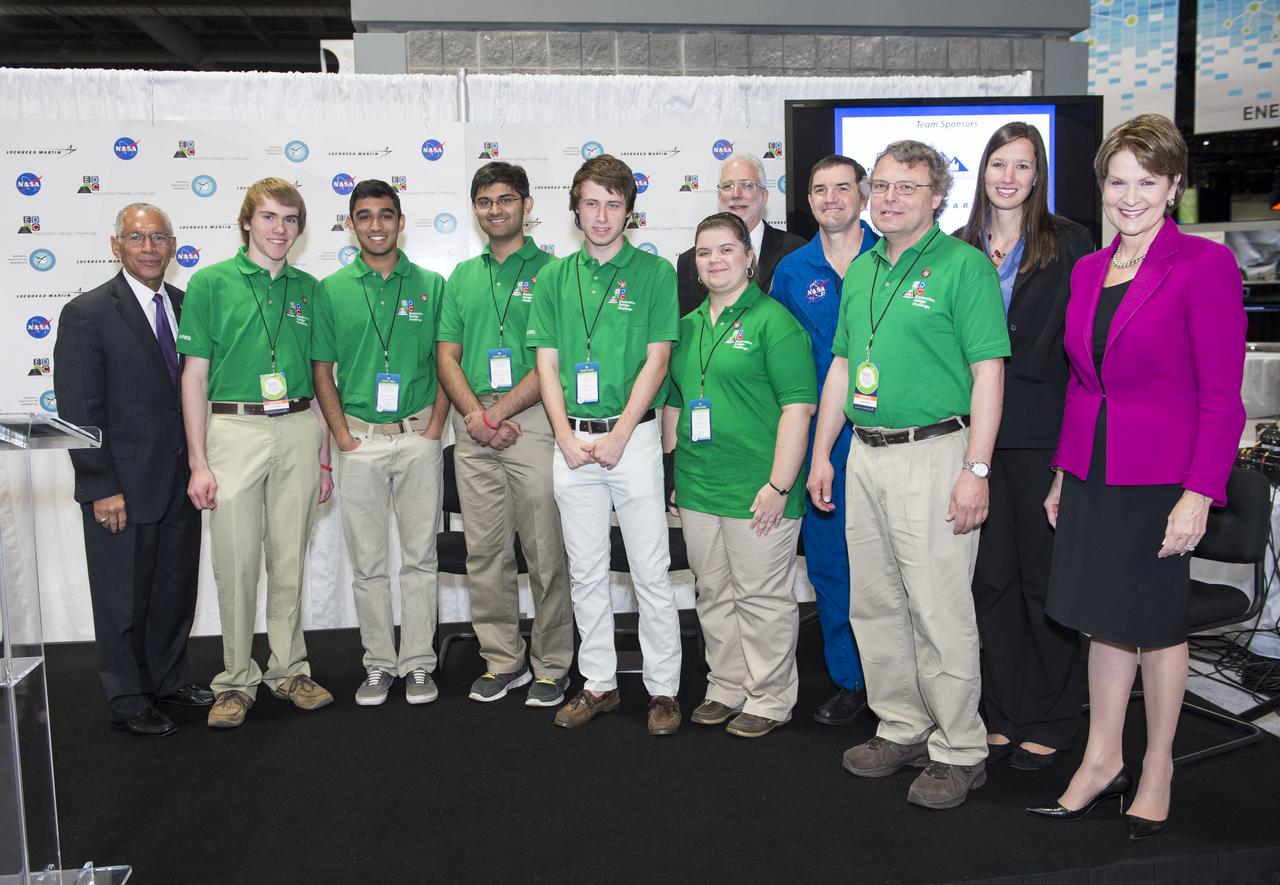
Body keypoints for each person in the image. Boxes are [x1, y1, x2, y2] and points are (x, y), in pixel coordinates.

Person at [1026, 114, 1246, 840]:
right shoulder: (1089, 267)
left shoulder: (1205, 266)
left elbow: (1222, 396)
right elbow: (1083, 383)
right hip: (1093, 468)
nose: (1129, 196)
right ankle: (1100, 757)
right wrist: (1063, 468)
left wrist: (1199, 492)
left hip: (1163, 477)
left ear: (1175, 185)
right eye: (1117, 181)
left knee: (1154, 624)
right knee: (1100, 618)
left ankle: (1158, 765)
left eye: (1146, 182)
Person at [808, 140, 1010, 810]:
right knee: (876, 601)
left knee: (938, 606)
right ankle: (902, 726)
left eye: (907, 187)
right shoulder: (863, 268)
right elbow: (842, 366)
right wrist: (820, 454)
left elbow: (989, 373)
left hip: (935, 452)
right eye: (882, 185)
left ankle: (960, 747)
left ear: (937, 196)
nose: (890, 197)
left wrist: (976, 469)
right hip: (865, 452)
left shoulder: (963, 266)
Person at [527, 154, 684, 736]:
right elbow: (545, 362)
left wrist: (621, 434)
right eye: (591, 202)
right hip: (572, 443)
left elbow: (658, 359)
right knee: (586, 571)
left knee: (650, 569)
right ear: (575, 207)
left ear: (629, 212)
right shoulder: (551, 276)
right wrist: (564, 434)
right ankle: (598, 683)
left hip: (633, 440)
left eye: (614, 204)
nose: (601, 215)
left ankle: (663, 689)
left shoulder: (654, 273)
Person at [955, 123, 1093, 770]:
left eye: (1023, 165)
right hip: (974, 436)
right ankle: (1003, 711)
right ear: (981, 171)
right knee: (991, 582)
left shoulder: (1069, 244)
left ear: (1038, 176)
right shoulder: (957, 247)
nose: (1008, 177)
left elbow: (1083, 355)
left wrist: (1070, 458)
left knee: (1044, 583)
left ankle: (1055, 715)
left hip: (1043, 436)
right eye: (998, 164)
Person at [178, 177, 335, 729]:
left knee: (289, 559)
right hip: (233, 429)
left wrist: (321, 458)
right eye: (269, 217)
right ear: (247, 221)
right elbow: (193, 378)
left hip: (295, 426)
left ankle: (288, 669)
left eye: (290, 220)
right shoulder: (210, 283)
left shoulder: (309, 289)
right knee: (237, 563)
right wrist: (198, 461)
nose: (280, 229)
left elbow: (319, 380)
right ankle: (236, 681)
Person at [53, 203, 212, 736]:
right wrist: (101, 485)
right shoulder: (88, 313)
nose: (149, 247)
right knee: (122, 599)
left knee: (173, 592)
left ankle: (168, 680)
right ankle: (128, 698)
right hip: (121, 486)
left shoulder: (188, 307)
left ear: (172, 245)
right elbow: (79, 409)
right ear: (115, 244)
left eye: (159, 237)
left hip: (178, 482)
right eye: (137, 237)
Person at [663, 212, 816, 738]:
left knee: (763, 598)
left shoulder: (776, 322)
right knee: (713, 594)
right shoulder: (683, 328)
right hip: (700, 486)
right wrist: (674, 476)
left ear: (749, 257)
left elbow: (799, 408)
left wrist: (778, 485)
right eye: (704, 252)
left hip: (760, 490)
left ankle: (769, 697)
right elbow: (676, 409)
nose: (715, 260)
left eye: (726, 249)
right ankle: (725, 686)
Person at [437, 162, 574, 707]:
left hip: (536, 419)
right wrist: (477, 415)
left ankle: (553, 664)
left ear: (526, 204)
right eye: (486, 201)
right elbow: (447, 356)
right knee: (485, 552)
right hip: (473, 426)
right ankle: (502, 660)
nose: (496, 210)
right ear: (475, 209)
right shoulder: (462, 277)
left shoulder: (556, 272)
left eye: (506, 200)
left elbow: (555, 358)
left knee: (545, 551)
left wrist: (499, 413)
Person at [311, 179, 448, 707]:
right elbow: (322, 370)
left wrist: (436, 426)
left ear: (400, 220)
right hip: (360, 442)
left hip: (418, 438)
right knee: (368, 564)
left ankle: (417, 663)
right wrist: (343, 436)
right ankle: (378, 664)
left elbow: (446, 360)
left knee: (420, 559)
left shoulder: (431, 285)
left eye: (385, 215)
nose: (376, 225)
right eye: (364, 216)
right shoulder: (332, 289)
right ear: (351, 224)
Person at [770, 154, 879, 727]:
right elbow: (784, 362)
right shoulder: (791, 270)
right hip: (823, 443)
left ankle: (900, 682)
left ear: (863, 195)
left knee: (894, 563)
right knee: (833, 565)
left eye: (843, 188)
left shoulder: (893, 255)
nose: (831, 198)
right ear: (807, 199)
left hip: (891, 431)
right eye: (819, 190)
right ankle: (852, 680)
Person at [675, 153, 805, 316]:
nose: (736, 194)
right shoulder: (689, 262)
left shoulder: (797, 252)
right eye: (728, 186)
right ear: (719, 196)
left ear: (764, 196)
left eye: (747, 185)